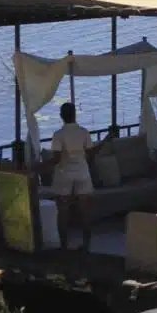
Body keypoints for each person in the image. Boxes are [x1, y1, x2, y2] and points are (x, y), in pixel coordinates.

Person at [42, 102, 108, 251]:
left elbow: (57, 158)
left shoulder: (58, 135)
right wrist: (106, 140)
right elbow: (91, 153)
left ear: (61, 116)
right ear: (75, 114)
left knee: (63, 212)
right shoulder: (84, 132)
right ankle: (86, 244)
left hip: (63, 174)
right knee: (85, 212)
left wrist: (39, 166)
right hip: (82, 173)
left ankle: (64, 246)